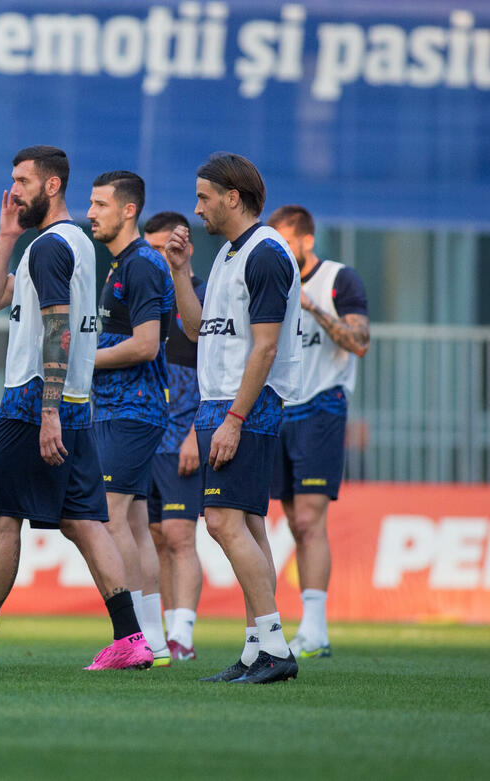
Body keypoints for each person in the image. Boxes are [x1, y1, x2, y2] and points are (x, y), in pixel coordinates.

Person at [0, 145, 153, 671]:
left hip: (33, 403)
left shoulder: (50, 247)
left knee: (1, 522)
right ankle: (132, 638)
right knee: (85, 522)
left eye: (22, 181)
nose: (13, 189)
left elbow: (58, 329)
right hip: (75, 403)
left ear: (51, 186)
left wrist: (46, 414)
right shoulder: (65, 243)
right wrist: (6, 236)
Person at [163, 152, 302, 684]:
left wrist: (236, 418)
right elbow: (199, 329)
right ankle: (257, 651)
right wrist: (180, 271)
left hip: (245, 403)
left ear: (232, 198)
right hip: (219, 400)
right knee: (246, 524)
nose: (196, 208)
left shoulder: (266, 254)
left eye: (203, 197)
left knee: (221, 522)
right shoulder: (226, 256)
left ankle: (274, 648)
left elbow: (265, 348)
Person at [267, 204, 370, 659]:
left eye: (286, 242)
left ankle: (314, 628)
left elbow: (360, 342)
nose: (280, 251)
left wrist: (314, 309)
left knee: (309, 519)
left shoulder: (338, 279)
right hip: (280, 409)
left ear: (306, 240)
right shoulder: (270, 281)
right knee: (292, 520)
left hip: (322, 405)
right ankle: (309, 626)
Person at [88, 172, 174, 666]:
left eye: (100, 204)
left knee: (111, 518)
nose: (91, 212)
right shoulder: (122, 264)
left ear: (128, 210)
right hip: (125, 409)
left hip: (132, 410)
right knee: (138, 525)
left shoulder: (140, 265)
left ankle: (132, 640)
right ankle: (153, 640)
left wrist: (82, 362)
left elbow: (144, 345)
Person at [142, 211, 205, 661]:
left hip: (184, 435)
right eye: (151, 250)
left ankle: (184, 633)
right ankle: (160, 633)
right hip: (144, 435)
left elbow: (218, 374)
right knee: (154, 537)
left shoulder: (203, 299)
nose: (156, 258)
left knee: (181, 536)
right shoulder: (143, 299)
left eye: (164, 249)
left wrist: (197, 436)